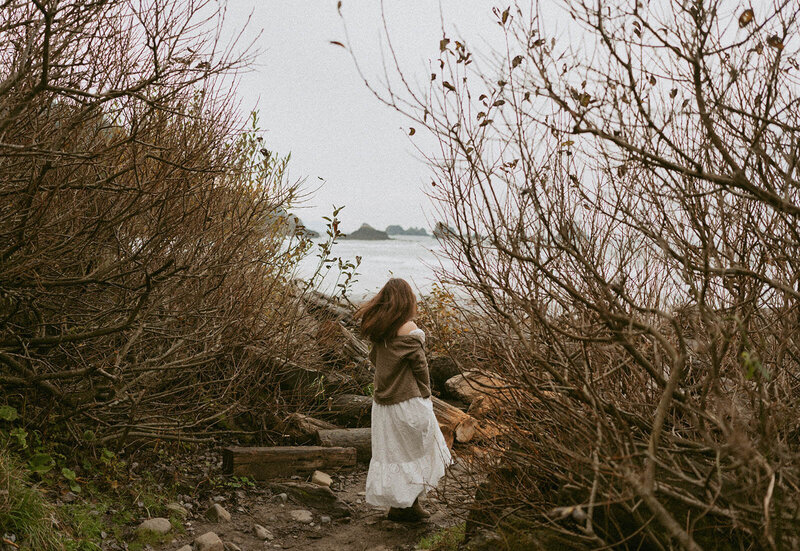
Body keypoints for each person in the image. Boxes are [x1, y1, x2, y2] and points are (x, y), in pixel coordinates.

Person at [354, 278, 453, 522]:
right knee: (417, 450)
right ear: (407, 301)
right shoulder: (409, 329)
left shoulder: (379, 328)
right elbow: (421, 368)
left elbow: (376, 361)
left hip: (383, 406)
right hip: (408, 402)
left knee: (393, 454)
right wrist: (426, 393)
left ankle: (399, 506)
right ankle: (409, 506)